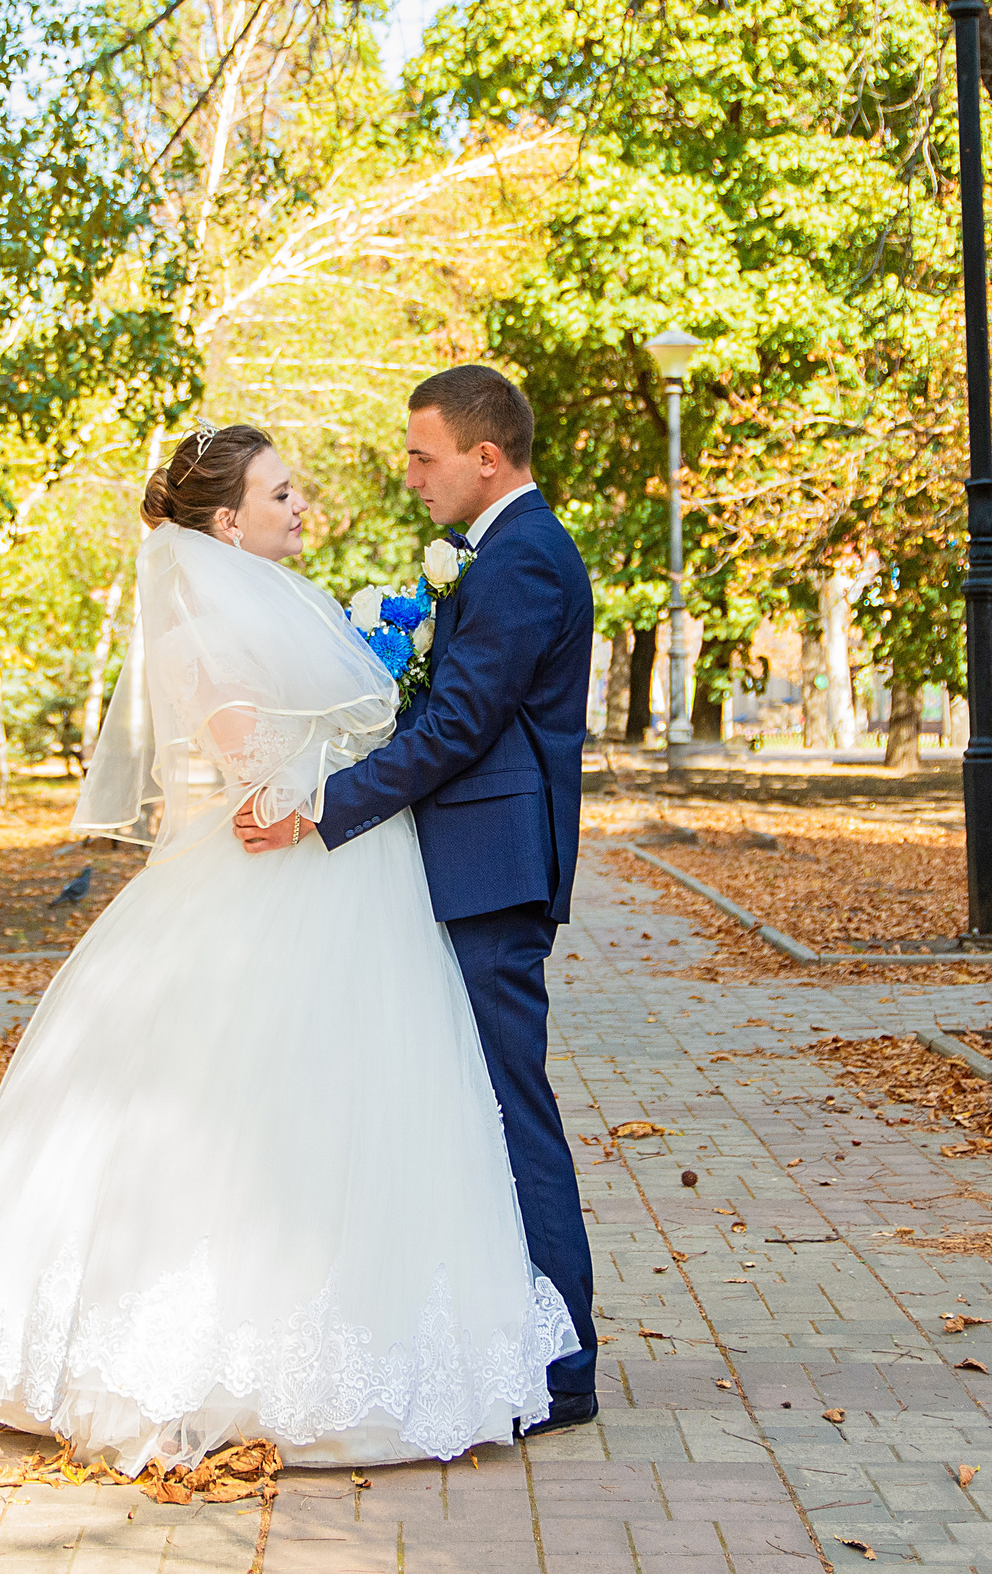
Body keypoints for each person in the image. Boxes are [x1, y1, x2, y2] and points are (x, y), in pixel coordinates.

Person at [0, 422, 575, 1475]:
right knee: (261, 1106)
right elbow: (260, 780)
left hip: (359, 870)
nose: (299, 506)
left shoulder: (291, 603)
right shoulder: (200, 630)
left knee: (359, 1111)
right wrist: (329, 779)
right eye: (278, 493)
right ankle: (205, 1364)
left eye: (294, 490)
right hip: (298, 871)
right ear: (223, 521)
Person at [236, 364, 600, 1438]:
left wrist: (322, 807)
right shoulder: (497, 558)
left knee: (510, 1110)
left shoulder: (523, 559)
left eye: (422, 455)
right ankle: (514, 1340)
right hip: (473, 862)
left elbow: (458, 730)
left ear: (485, 458)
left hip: (494, 869)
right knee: (475, 1109)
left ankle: (564, 1363)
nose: (411, 476)